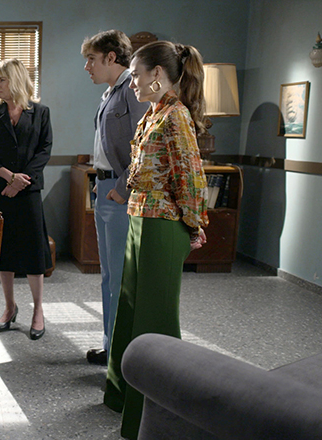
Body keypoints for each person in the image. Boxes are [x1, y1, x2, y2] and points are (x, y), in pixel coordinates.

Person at [103, 41, 209, 439]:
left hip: (162, 226)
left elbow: (190, 177)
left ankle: (157, 418)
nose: (131, 82)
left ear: (157, 75)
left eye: (135, 74)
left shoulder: (176, 116)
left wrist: (194, 225)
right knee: (130, 312)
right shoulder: (154, 113)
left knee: (155, 320)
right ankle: (122, 398)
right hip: (140, 220)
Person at [81, 30, 150, 365]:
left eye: (91, 59)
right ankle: (111, 346)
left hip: (122, 196)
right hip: (105, 190)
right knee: (109, 277)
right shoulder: (110, 93)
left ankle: (122, 354)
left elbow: (144, 149)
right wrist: (101, 181)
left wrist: (121, 190)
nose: (87, 67)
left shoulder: (131, 93)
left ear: (111, 57)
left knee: (120, 279)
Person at [0, 58, 52, 340]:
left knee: (33, 251)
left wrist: (20, 182)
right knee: (2, 251)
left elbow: (44, 150)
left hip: (28, 191)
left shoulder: (40, 112)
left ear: (16, 80)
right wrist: (9, 178)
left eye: (2, 80)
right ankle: (9, 307)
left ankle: (38, 310)